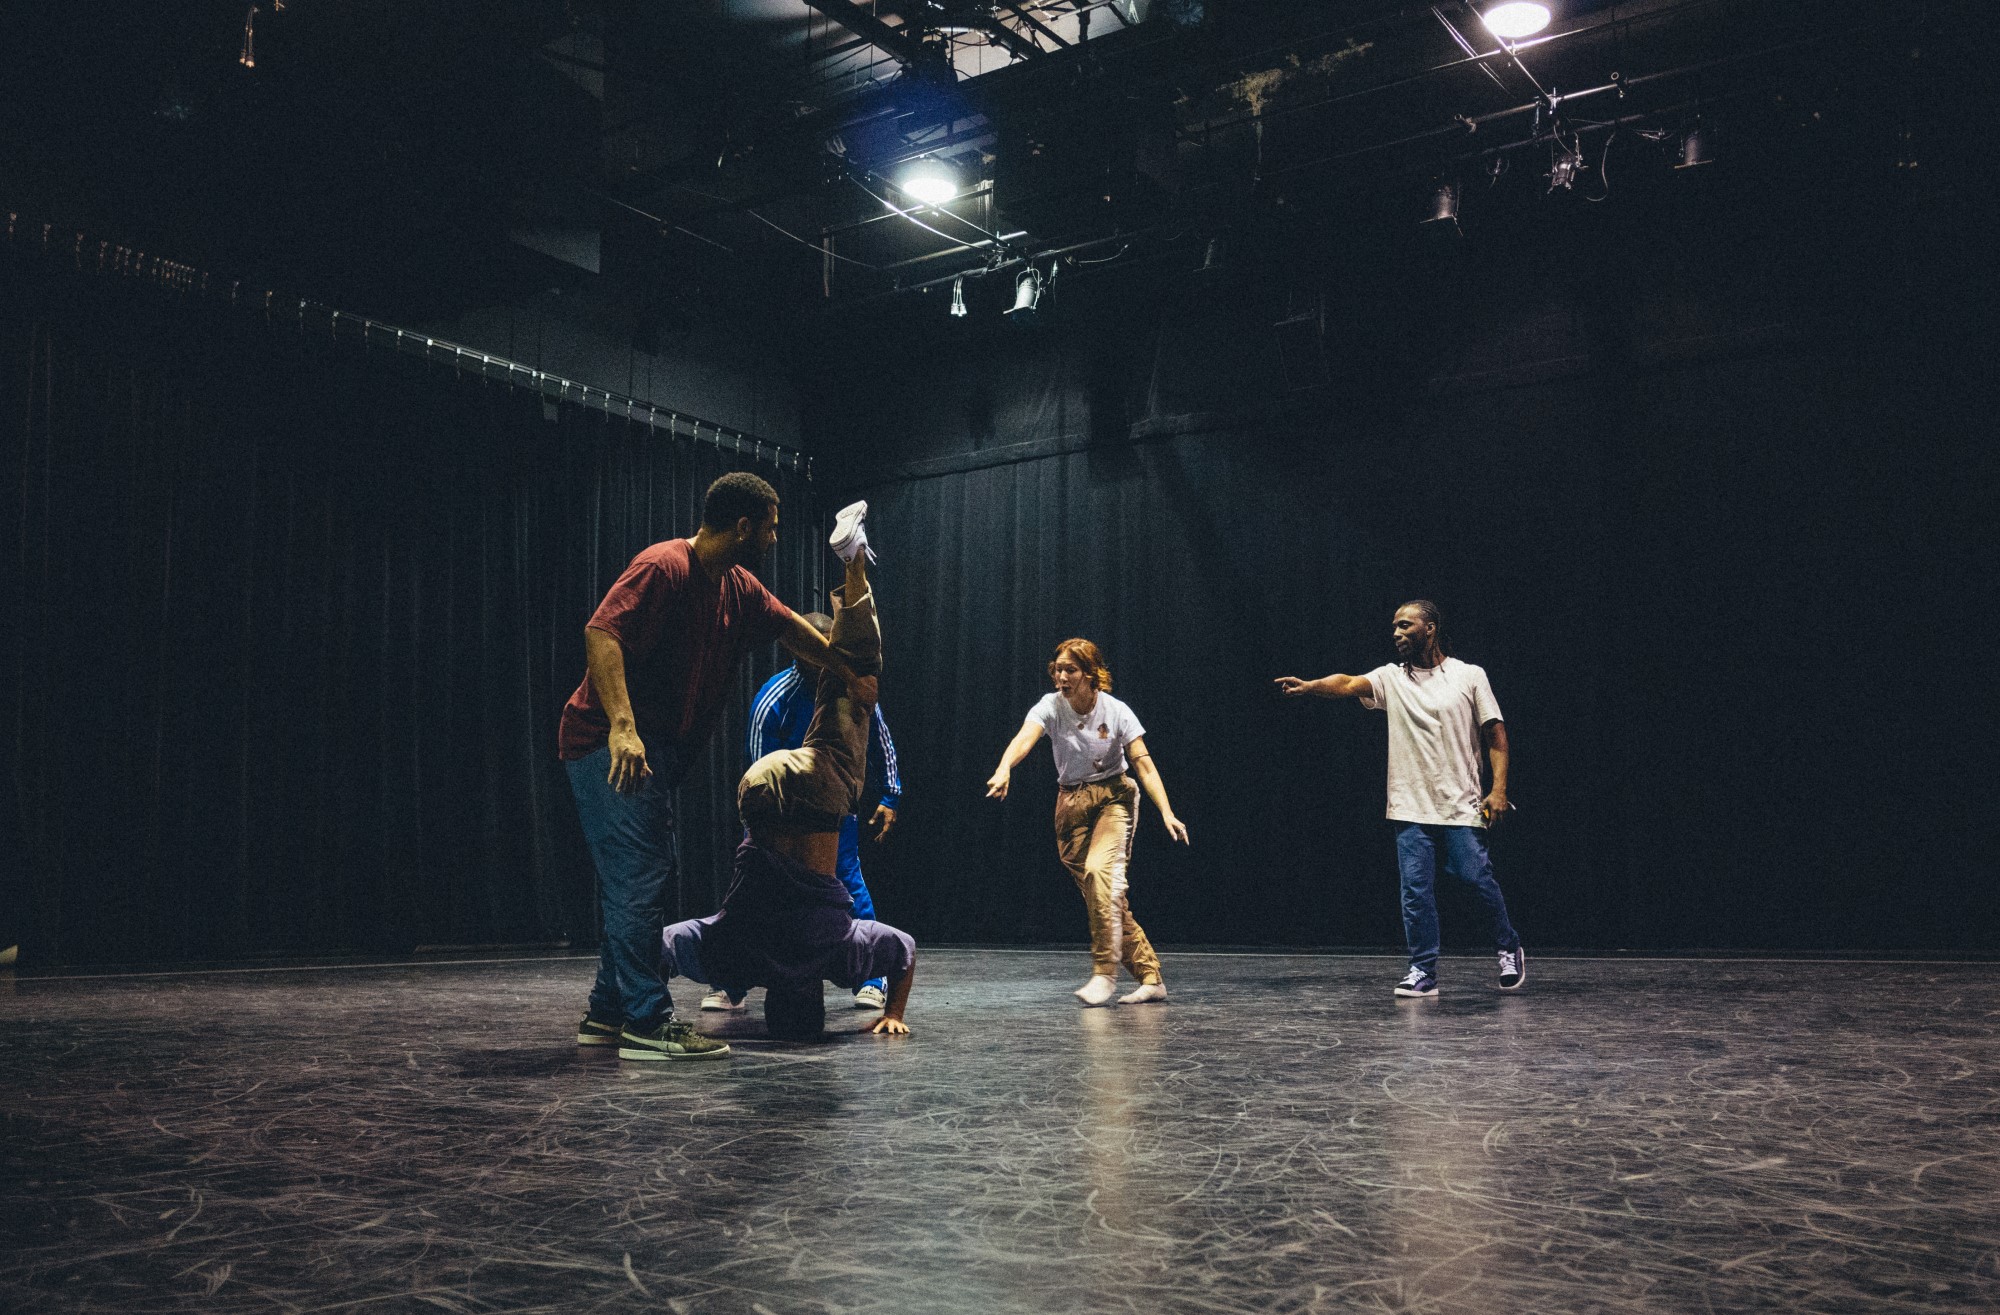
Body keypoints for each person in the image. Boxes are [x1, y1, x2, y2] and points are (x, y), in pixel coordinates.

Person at [561, 473, 879, 1061]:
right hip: (608, 744)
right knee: (640, 879)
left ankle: (607, 1013)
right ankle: (647, 1023)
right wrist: (624, 729)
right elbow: (601, 633)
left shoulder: (738, 588)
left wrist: (841, 663)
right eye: (773, 525)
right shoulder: (666, 566)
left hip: (655, 751)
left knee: (641, 878)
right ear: (744, 525)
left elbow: (791, 630)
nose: (776, 536)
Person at [629, 501, 915, 1055]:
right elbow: (661, 945)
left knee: (856, 677)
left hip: (778, 786)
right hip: (774, 795)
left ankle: (853, 561)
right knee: (853, 688)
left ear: (810, 993)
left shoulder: (834, 951)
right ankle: (852, 560)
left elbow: (902, 949)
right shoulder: (742, 952)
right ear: (772, 998)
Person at [1275, 599, 1525, 998]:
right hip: (1409, 804)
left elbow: (1495, 734)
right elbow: (1347, 682)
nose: (1396, 633)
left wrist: (1498, 790)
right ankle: (1422, 969)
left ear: (1430, 629)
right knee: (1416, 892)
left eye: (1406, 626)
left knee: (1475, 878)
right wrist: (1310, 687)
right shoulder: (1392, 678)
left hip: (1460, 801)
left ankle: (1507, 944)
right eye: (1394, 627)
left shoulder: (1468, 675)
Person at [701, 613, 903, 1014]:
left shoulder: (852, 688)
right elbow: (757, 768)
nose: (826, 655)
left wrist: (890, 795)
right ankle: (731, 981)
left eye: (832, 647)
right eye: (817, 647)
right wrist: (759, 828)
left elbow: (881, 740)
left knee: (847, 878)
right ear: (798, 651)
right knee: (755, 889)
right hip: (779, 814)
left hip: (831, 807)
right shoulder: (774, 697)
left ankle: (873, 977)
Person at [985, 639, 1189, 1007]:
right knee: (1104, 896)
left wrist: (1167, 811)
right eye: (1058, 669)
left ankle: (1104, 973)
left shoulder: (1116, 711)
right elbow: (1024, 739)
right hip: (1070, 804)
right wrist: (1004, 768)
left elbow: (1142, 762)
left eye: (1071, 670)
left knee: (1100, 876)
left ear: (1090, 674)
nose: (1062, 677)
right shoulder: (1051, 706)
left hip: (1113, 798)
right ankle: (1150, 976)